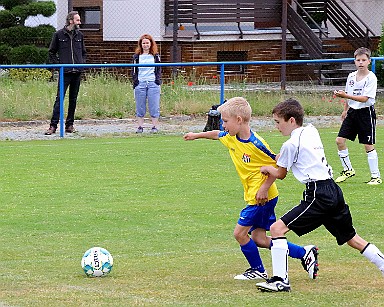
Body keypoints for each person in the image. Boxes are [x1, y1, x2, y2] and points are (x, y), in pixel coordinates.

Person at [183, 97, 319, 281]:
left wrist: (264, 188)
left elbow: (278, 166)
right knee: (260, 239)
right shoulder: (232, 137)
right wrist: (196, 135)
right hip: (255, 196)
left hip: (262, 198)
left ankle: (258, 269)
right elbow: (216, 134)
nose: (223, 125)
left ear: (239, 120)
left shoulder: (257, 144)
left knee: (239, 234)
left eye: (225, 121)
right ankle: (304, 253)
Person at [256, 98, 384, 293]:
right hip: (333, 190)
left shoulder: (290, 144)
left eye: (277, 122)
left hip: (317, 194)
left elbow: (281, 174)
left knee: (276, 229)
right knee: (353, 239)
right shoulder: (311, 130)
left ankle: (280, 280)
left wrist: (268, 168)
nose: (276, 127)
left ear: (291, 121)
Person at [333, 47, 381, 185]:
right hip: (352, 112)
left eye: (364, 60)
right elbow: (348, 93)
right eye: (358, 60)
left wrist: (345, 95)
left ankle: (375, 176)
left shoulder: (371, 78)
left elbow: (365, 98)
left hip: (365, 113)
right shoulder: (351, 76)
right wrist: (345, 109)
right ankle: (348, 169)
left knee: (368, 144)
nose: (361, 62)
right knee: (339, 140)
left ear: (369, 61)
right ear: (354, 61)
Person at [45, 11, 87, 135]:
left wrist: (81, 63)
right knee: (59, 99)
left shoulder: (80, 35)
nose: (80, 22)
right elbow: (51, 52)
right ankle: (53, 126)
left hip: (77, 72)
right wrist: (59, 66)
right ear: (71, 21)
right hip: (65, 72)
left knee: (73, 99)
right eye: (78, 20)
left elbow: (84, 52)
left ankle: (70, 125)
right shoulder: (58, 35)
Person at [132, 34, 162, 133]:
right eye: (143, 43)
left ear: (151, 44)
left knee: (154, 106)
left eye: (147, 43)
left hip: (153, 83)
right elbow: (134, 70)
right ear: (141, 44)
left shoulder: (155, 56)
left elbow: (158, 70)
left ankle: (154, 127)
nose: (145, 45)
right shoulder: (137, 57)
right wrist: (135, 82)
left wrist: (157, 81)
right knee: (140, 106)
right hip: (140, 83)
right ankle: (140, 127)